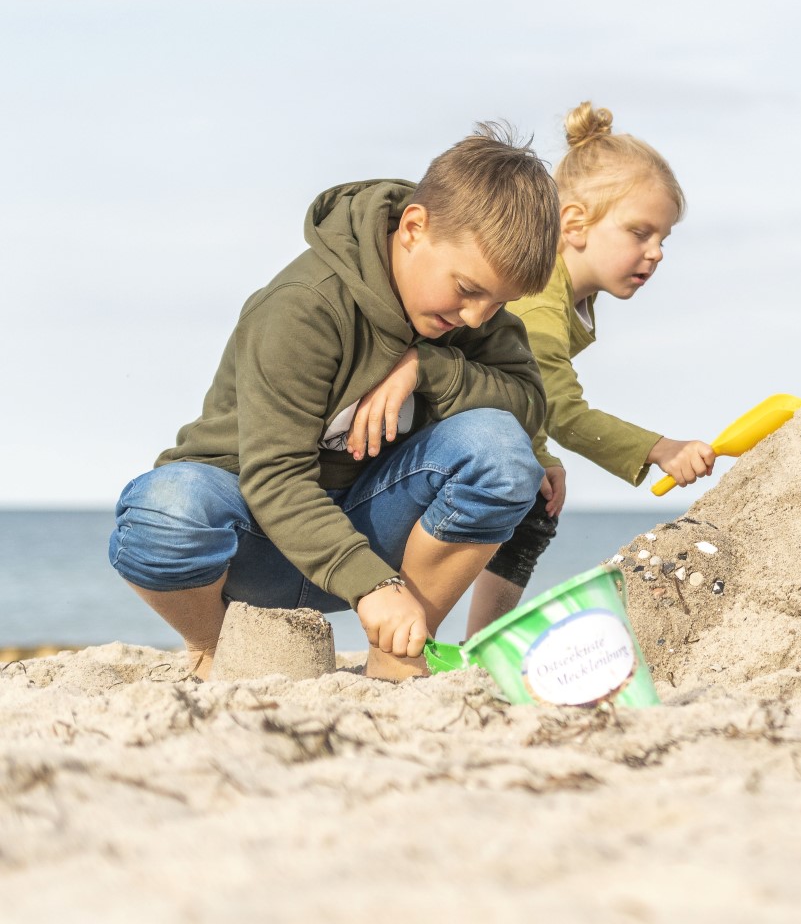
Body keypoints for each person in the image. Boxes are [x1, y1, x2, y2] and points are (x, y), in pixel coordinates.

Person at [108, 124, 557, 681]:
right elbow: (274, 478)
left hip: (377, 525)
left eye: (498, 302)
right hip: (256, 534)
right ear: (414, 228)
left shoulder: (472, 316)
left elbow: (530, 407)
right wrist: (372, 584)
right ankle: (215, 646)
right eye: (467, 290)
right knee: (164, 511)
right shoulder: (305, 306)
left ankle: (398, 652)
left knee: (503, 450)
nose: (476, 317)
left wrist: (428, 368)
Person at [464, 102, 716, 636]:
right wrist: (659, 448)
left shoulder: (573, 297)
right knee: (518, 497)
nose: (657, 253)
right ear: (575, 223)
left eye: (663, 239)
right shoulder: (538, 294)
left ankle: (480, 641)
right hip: (443, 422)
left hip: (484, 418)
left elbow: (521, 390)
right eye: (640, 233)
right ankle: (443, 636)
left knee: (537, 508)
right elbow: (554, 401)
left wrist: (540, 452)